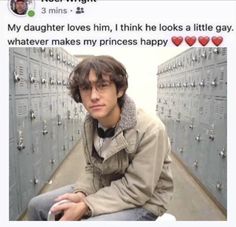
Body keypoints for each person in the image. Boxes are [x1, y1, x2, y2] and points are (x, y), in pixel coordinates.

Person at [27, 55, 174, 221]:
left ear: (119, 90)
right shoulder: (90, 124)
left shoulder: (151, 129)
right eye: (86, 88)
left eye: (102, 85)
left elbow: (138, 189)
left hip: (145, 201)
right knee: (37, 206)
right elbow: (93, 168)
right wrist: (81, 192)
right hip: (105, 185)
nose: (94, 96)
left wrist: (87, 206)